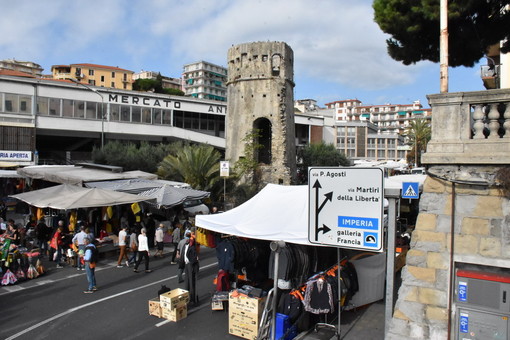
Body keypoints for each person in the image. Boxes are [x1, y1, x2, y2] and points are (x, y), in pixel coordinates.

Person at [183, 235, 199, 305]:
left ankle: (187, 298)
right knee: (192, 281)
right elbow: (194, 258)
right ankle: (193, 299)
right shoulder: (192, 247)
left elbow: (182, 255)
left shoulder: (184, 245)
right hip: (190, 265)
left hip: (186, 264)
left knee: (187, 281)